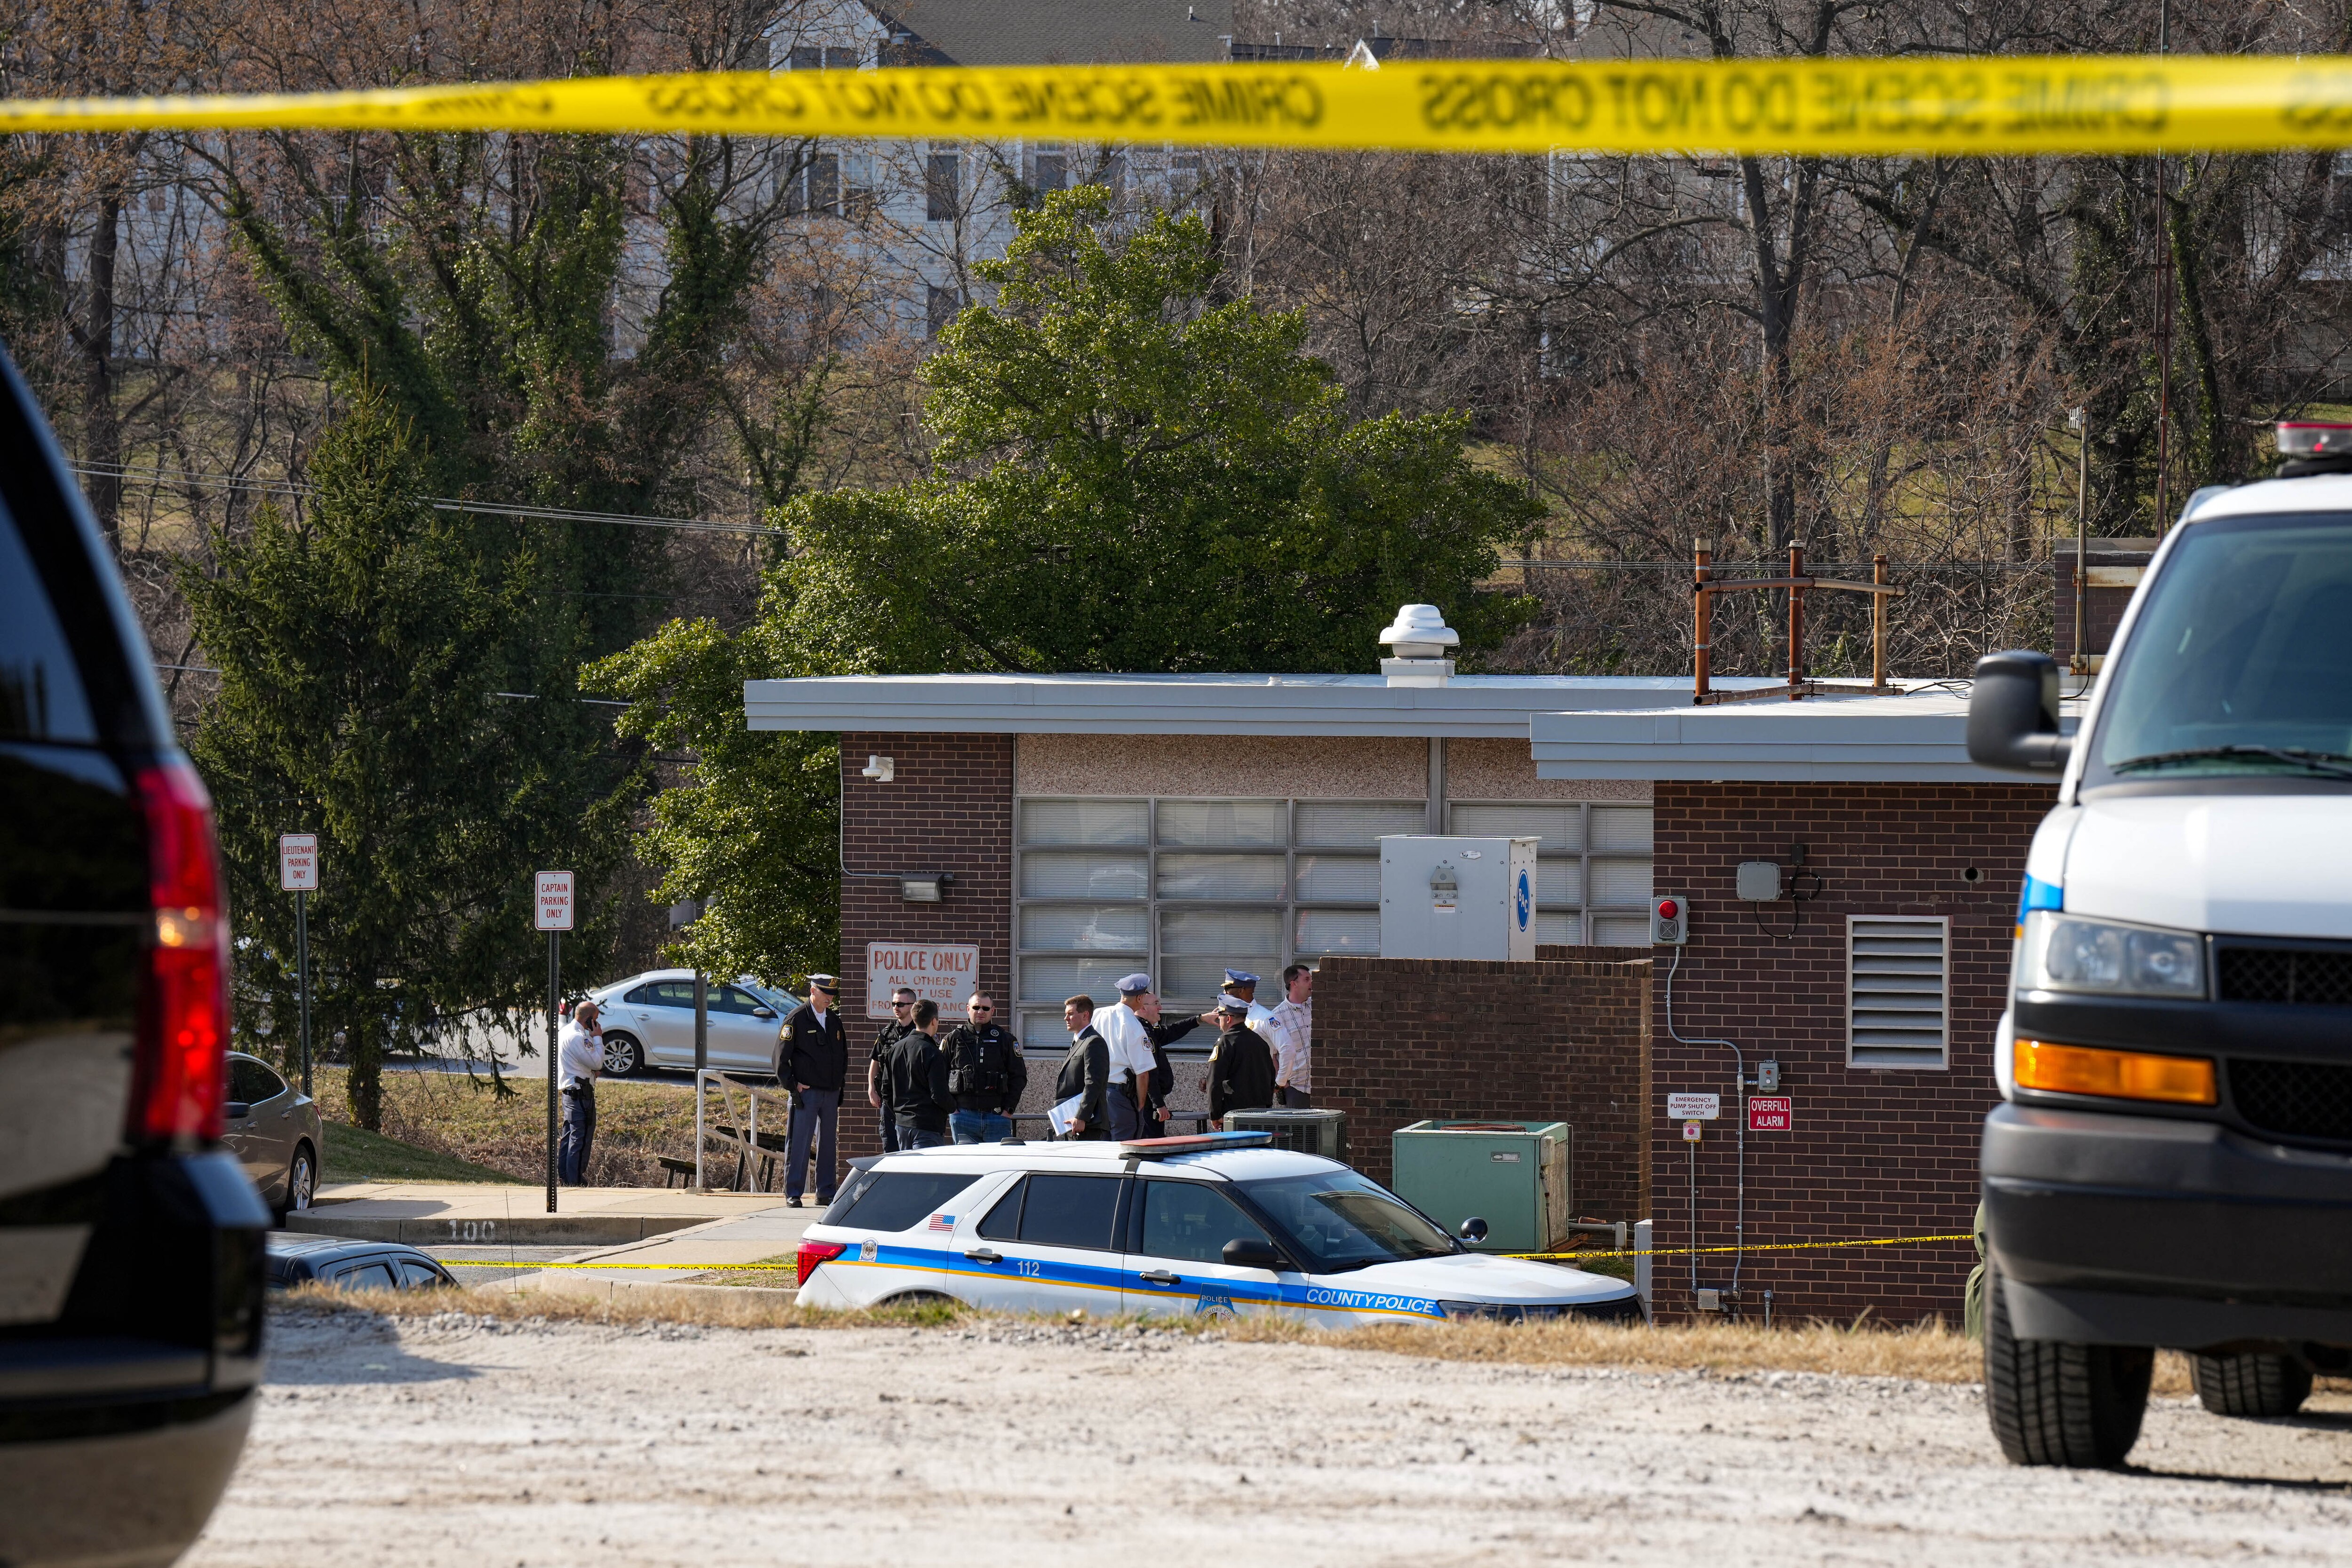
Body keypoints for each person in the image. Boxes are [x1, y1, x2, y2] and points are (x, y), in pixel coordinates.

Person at [776, 974, 849, 1208]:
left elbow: (842, 1057)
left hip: (830, 1092)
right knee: (799, 1143)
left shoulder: (834, 1021)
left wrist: (840, 1086)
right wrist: (792, 1085)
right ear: (813, 990)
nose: (829, 998)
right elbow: (780, 1059)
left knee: (828, 1144)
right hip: (806, 1093)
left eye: (832, 994)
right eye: (826, 993)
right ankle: (793, 1192)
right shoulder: (797, 1018)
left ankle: (825, 1192)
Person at [941, 991, 1026, 1144]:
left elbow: (1019, 1077)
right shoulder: (953, 1039)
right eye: (976, 1007)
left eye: (986, 1008)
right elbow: (939, 1076)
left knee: (998, 1164)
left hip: (997, 1117)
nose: (981, 1012)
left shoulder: (1005, 1039)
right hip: (963, 1117)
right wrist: (952, 1109)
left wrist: (1008, 1111)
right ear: (968, 1008)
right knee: (966, 1166)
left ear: (993, 1011)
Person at [1092, 973, 1161, 1141]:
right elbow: (1143, 1073)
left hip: (1095, 1093)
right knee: (1124, 1149)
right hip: (1120, 1097)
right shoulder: (1134, 1025)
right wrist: (1141, 1105)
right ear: (1139, 998)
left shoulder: (1098, 1014)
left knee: (1100, 1148)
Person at [885, 998, 954, 1149]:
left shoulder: (895, 1049)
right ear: (934, 1021)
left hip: (902, 1124)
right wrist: (954, 1107)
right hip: (927, 1126)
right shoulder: (933, 1053)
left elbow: (885, 1089)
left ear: (914, 1019)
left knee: (907, 1171)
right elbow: (939, 1094)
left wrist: (899, 1112)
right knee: (927, 1172)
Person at [1136, 992, 1202, 1136]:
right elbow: (1148, 1073)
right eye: (1156, 1004)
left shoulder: (1148, 1029)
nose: (1160, 1008)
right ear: (1142, 1008)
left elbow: (1172, 1031)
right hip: (1147, 1104)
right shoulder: (1141, 1033)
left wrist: (1200, 1019)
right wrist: (1158, 1104)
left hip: (1150, 1103)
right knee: (1152, 1143)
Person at [556, 999, 604, 1185]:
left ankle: (566, 1177)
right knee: (580, 1140)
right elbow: (597, 1062)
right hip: (580, 1097)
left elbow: (581, 1063)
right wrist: (598, 1037)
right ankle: (574, 1182)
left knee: (569, 1138)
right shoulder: (579, 1037)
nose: (598, 1024)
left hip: (572, 1093)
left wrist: (590, 1071)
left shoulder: (566, 1031)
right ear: (589, 1019)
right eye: (596, 1020)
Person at [1206, 996, 1278, 1122]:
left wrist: (1215, 1115)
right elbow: (1271, 1077)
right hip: (1261, 1113)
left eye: (1220, 1016)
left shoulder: (1225, 1042)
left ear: (1228, 1019)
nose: (1219, 1021)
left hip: (1235, 1114)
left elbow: (1214, 1081)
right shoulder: (1260, 1042)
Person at [867, 987, 918, 1153]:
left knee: (909, 1148)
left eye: (901, 1004)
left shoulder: (919, 1032)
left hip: (910, 1100)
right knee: (889, 1144)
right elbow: (875, 1061)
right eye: (894, 1004)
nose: (896, 1007)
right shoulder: (886, 1033)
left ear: (912, 1006)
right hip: (888, 1099)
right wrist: (872, 1089)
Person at [1054, 995, 1110, 1140]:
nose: (1066, 1018)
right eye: (1066, 1014)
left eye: (1071, 1014)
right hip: (1075, 1123)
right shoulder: (1080, 1041)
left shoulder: (1094, 1042)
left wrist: (1081, 1116)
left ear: (1085, 1015)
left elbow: (1093, 1083)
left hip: (1088, 1125)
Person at [1264, 963, 1314, 1108]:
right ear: (1294, 984)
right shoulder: (1277, 1017)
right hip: (1297, 1089)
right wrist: (1283, 1083)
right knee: (1300, 1130)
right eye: (1307, 979)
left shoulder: (1317, 1007)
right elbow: (1272, 1055)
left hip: (1323, 1085)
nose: (1311, 983)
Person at [1218, 969, 1278, 1033]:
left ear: (1241, 990)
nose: (1225, 992)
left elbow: (1285, 1043)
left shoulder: (1266, 1018)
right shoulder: (1230, 1014)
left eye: (1227, 989)